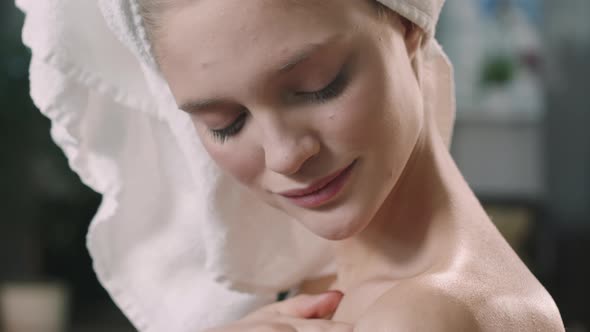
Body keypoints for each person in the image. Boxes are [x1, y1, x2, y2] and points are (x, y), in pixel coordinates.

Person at [18, 0, 564, 330]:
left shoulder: (421, 316)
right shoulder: (313, 292)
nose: (284, 156)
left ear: (406, 24)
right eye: (225, 123)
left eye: (317, 86)